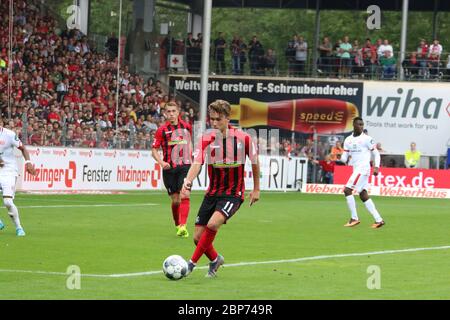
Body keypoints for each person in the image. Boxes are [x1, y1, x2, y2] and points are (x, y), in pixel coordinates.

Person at [181, 100, 260, 277]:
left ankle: (190, 264)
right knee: (197, 237)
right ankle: (215, 259)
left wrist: (256, 189)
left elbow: (255, 162)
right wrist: (187, 183)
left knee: (213, 224)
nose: (214, 123)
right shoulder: (206, 139)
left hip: (233, 194)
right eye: (212, 119)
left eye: (218, 119)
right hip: (212, 193)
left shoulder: (243, 138)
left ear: (227, 118)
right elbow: (197, 162)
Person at [151, 102, 192, 237]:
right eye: (169, 111)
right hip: (169, 168)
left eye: (174, 111)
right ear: (165, 113)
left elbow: (190, 143)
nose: (171, 114)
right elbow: (154, 150)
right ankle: (177, 225)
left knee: (184, 194)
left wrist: (191, 157)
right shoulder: (161, 130)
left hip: (184, 166)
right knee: (175, 200)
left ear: (178, 112)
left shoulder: (186, 127)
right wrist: (162, 162)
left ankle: (183, 226)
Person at [341, 117, 385, 229]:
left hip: (363, 169)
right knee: (363, 194)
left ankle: (354, 218)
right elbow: (344, 156)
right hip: (356, 169)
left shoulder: (367, 139)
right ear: (354, 125)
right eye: (359, 124)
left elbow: (376, 154)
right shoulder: (348, 140)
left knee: (347, 190)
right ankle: (379, 220)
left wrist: (376, 167)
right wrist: (342, 158)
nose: (361, 126)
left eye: (362, 124)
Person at [0, 127, 36, 236]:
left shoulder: (9, 134)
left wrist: (28, 162)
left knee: (7, 202)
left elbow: (23, 148)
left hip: (8, 170)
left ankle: (18, 227)